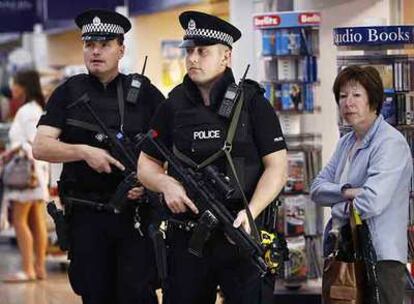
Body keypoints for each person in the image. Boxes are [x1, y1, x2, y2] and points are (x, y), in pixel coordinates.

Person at [138, 10, 287, 304]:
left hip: (241, 235)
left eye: (202, 52)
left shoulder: (253, 103)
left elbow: (277, 168)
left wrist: (251, 212)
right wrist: (166, 185)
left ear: (226, 57)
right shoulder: (173, 105)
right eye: (189, 51)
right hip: (187, 241)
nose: (193, 58)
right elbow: (146, 163)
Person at [32, 9, 165, 304]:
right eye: (89, 44)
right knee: (95, 295)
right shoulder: (68, 92)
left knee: (138, 295)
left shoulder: (144, 93)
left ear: (121, 49)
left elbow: (171, 151)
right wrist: (83, 152)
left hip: (135, 219)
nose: (95, 51)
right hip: (87, 217)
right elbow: (40, 146)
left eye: (104, 45)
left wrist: (149, 181)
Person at [310, 65, 413, 304]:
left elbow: (371, 202)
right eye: (343, 96)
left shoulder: (390, 143)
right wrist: (346, 191)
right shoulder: (346, 142)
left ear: (373, 100)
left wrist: (337, 206)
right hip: (345, 252)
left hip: (380, 257)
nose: (348, 103)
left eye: (356, 95)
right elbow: (317, 188)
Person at [2, 70, 49, 283]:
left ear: (24, 86)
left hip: (26, 173)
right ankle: (38, 268)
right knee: (35, 220)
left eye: (15, 83)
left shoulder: (27, 111)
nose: (12, 88)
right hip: (36, 172)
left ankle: (28, 268)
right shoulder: (35, 109)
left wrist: (10, 152)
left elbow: (32, 141)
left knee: (20, 220)